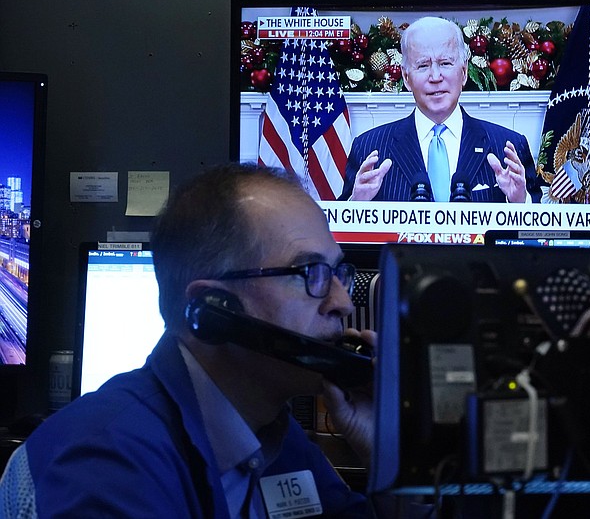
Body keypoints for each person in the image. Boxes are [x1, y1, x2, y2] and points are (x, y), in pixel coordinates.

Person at [0, 165, 375, 517]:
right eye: (310, 272)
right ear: (214, 311)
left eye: (338, 271)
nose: (342, 302)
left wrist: (386, 450)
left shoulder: (271, 432)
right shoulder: (105, 464)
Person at [339, 16, 536, 203]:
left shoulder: (508, 148)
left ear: (464, 72)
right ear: (406, 78)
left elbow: (541, 230)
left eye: (445, 63)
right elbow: (339, 232)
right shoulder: (368, 149)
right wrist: (357, 203)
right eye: (423, 65)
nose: (435, 76)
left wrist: (519, 201)